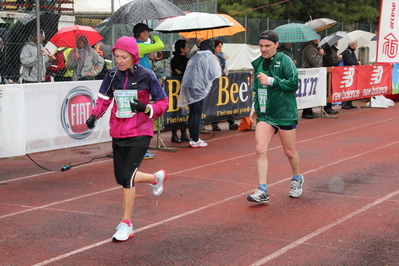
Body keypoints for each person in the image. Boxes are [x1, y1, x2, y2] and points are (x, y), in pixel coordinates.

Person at [85, 36, 168, 242]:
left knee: (128, 177)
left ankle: (126, 224)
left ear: (134, 56)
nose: (119, 61)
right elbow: (104, 100)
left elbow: (163, 102)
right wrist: (95, 115)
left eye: (124, 57)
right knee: (121, 178)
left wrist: (145, 108)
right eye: (116, 56)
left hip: (141, 130)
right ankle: (155, 178)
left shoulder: (147, 76)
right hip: (119, 131)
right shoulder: (112, 75)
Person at [247, 30, 304, 203]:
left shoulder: (285, 61)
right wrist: (254, 106)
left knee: (289, 152)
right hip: (266, 113)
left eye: (267, 46)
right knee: (260, 149)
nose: (263, 49)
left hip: (284, 112)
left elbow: (294, 83)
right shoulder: (258, 63)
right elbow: (257, 87)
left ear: (276, 45)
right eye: (261, 46)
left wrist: (271, 81)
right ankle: (262, 189)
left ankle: (297, 178)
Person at [177, 39, 221, 148]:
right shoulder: (208, 56)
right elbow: (215, 73)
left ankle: (193, 137)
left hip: (190, 86)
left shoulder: (195, 55)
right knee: (197, 113)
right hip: (199, 88)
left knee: (193, 113)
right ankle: (195, 139)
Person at [211, 39, 239, 131]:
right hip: (215, 83)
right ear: (214, 47)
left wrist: (224, 71)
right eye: (218, 46)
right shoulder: (211, 57)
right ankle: (214, 123)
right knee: (215, 103)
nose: (220, 48)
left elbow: (226, 68)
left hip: (224, 83)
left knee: (227, 102)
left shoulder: (223, 56)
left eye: (221, 47)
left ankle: (231, 123)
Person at [170, 39, 190, 143]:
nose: (188, 48)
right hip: (175, 87)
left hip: (184, 86)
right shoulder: (176, 59)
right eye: (186, 47)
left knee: (184, 109)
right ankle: (174, 134)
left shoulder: (187, 59)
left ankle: (183, 133)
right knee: (175, 109)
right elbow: (183, 69)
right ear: (181, 49)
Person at [301, 36, 324, 119]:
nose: (320, 41)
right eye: (319, 39)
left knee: (310, 92)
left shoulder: (312, 47)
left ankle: (309, 110)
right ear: (315, 39)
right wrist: (319, 54)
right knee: (308, 92)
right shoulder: (310, 48)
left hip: (312, 73)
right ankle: (306, 111)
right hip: (309, 73)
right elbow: (314, 62)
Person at [322, 42, 342, 114]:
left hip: (329, 71)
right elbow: (332, 61)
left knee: (329, 89)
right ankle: (327, 107)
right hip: (329, 71)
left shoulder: (330, 49)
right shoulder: (331, 50)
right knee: (328, 89)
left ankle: (328, 106)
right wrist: (339, 58)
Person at [341, 40, 361, 109]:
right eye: (356, 44)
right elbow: (349, 61)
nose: (357, 45)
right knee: (347, 88)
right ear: (352, 45)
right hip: (348, 72)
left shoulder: (351, 52)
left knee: (352, 87)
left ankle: (349, 102)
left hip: (351, 72)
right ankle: (345, 103)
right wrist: (357, 63)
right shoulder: (347, 52)